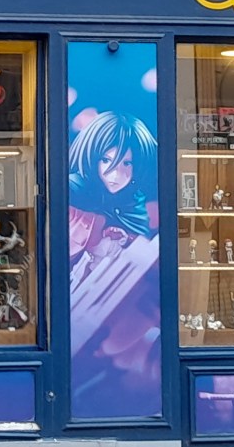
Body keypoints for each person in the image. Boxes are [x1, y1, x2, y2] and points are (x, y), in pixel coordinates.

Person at [67, 111, 160, 417]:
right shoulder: (73, 197)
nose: (116, 173)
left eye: (127, 163)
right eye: (106, 160)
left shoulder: (134, 205)